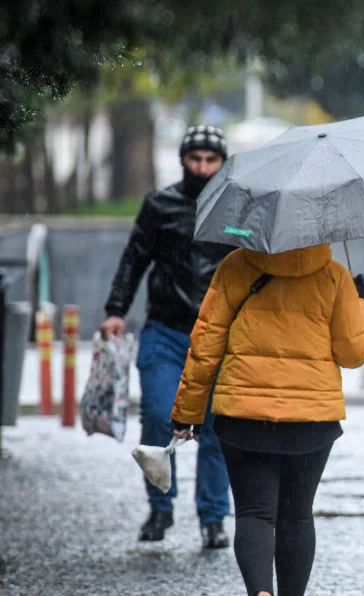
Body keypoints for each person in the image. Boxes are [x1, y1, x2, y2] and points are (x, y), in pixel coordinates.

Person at [170, 244, 364, 596]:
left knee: (254, 512)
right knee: (297, 515)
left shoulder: (235, 266)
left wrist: (187, 412)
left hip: (244, 412)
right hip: (312, 415)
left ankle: (261, 592)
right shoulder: (334, 275)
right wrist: (361, 303)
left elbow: (206, 346)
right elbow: (354, 353)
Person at [101, 125, 235, 548]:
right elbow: (134, 258)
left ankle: (213, 518)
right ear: (182, 159)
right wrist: (115, 311)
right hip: (165, 329)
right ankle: (160, 508)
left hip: (218, 334)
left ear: (222, 163)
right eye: (195, 159)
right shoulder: (159, 205)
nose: (202, 167)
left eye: (210, 160)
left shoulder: (236, 207)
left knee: (217, 430)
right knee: (158, 415)